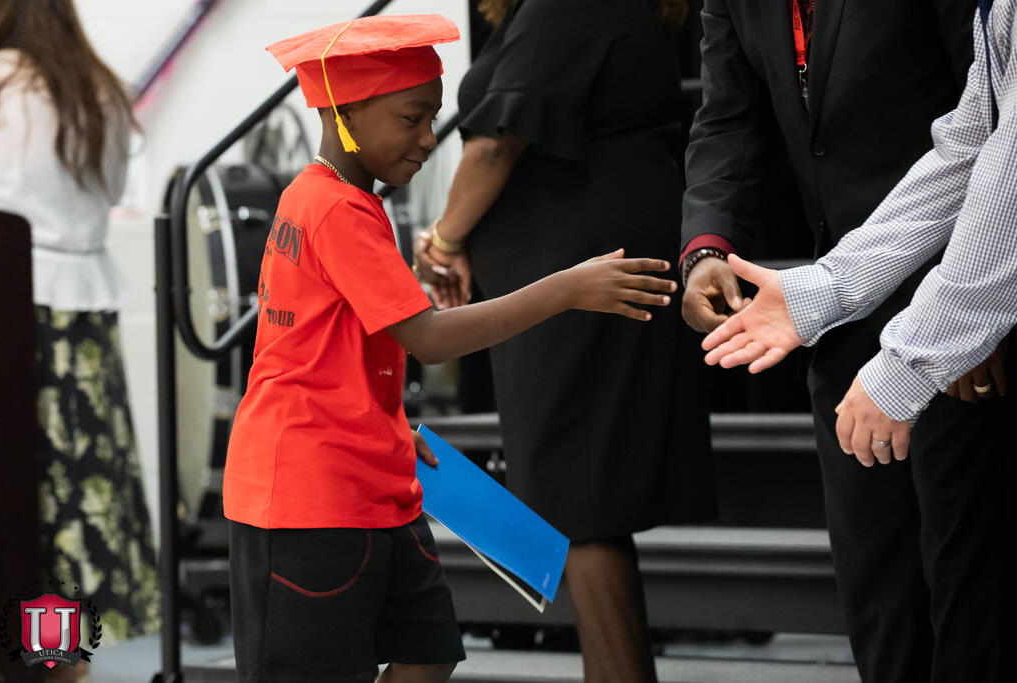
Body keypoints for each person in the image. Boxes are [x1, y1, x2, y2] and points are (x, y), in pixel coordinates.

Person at [222, 14, 679, 683]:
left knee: (430, 648)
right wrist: (566, 289)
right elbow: (429, 338)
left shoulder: (337, 201)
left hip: (364, 473)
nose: (429, 139)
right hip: (305, 496)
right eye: (412, 119)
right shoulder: (333, 208)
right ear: (346, 112)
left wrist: (379, 421)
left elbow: (316, 346)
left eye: (433, 118)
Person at [678, 1, 1012, 681]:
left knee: (971, 583)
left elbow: (1000, 166)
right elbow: (972, 139)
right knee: (878, 586)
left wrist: (962, 329)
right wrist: (784, 279)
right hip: (856, 298)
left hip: (965, 289)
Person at [411, 2, 715, 680]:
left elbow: (498, 141)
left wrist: (444, 240)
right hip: (578, 261)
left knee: (579, 505)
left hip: (585, 271)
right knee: (579, 502)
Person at [0, 0, 158, 678]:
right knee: (70, 516)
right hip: (84, 318)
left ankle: (36, 661)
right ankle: (61, 663)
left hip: (12, 311)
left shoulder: (2, 79)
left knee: (20, 506)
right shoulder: (100, 89)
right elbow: (112, 189)